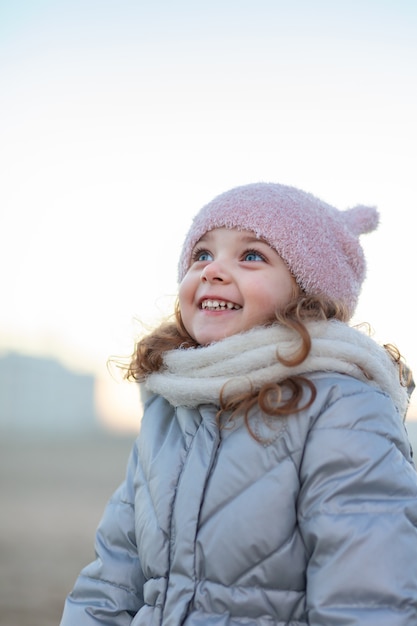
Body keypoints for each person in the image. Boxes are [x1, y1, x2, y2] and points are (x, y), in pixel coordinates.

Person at [60, 182, 417, 625]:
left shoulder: (342, 408)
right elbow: (113, 577)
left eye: (252, 256)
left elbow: (367, 598)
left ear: (309, 295)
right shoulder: (171, 410)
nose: (213, 270)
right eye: (202, 255)